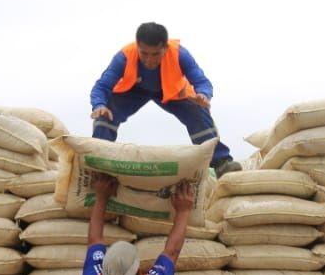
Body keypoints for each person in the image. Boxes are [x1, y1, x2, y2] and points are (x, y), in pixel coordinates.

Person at [90, 22, 241, 177]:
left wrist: (203, 94)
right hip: (134, 90)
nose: (149, 60)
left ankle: (221, 163)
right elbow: (101, 86)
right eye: (144, 54)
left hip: (171, 90)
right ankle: (96, 163)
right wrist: (98, 105)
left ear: (165, 48)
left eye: (155, 54)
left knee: (197, 111)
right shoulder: (124, 56)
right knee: (105, 112)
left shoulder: (180, 54)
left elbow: (202, 82)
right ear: (137, 47)